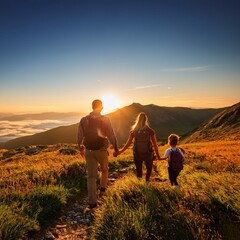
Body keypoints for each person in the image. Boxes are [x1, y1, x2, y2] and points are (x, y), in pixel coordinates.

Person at [77, 99, 119, 209]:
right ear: (101, 107)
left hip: (88, 151)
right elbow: (111, 134)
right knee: (104, 169)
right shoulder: (105, 119)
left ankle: (92, 202)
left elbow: (79, 136)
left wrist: (80, 148)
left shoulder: (84, 120)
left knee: (91, 177)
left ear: (92, 107)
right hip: (101, 150)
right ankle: (103, 190)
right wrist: (116, 148)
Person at [118, 112, 161, 182]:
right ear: (146, 120)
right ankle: (147, 182)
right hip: (148, 153)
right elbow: (155, 145)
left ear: (138, 120)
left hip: (137, 154)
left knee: (139, 170)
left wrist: (120, 152)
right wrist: (158, 156)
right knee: (149, 168)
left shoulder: (133, 131)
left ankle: (140, 184)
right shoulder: (150, 131)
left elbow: (128, 144)